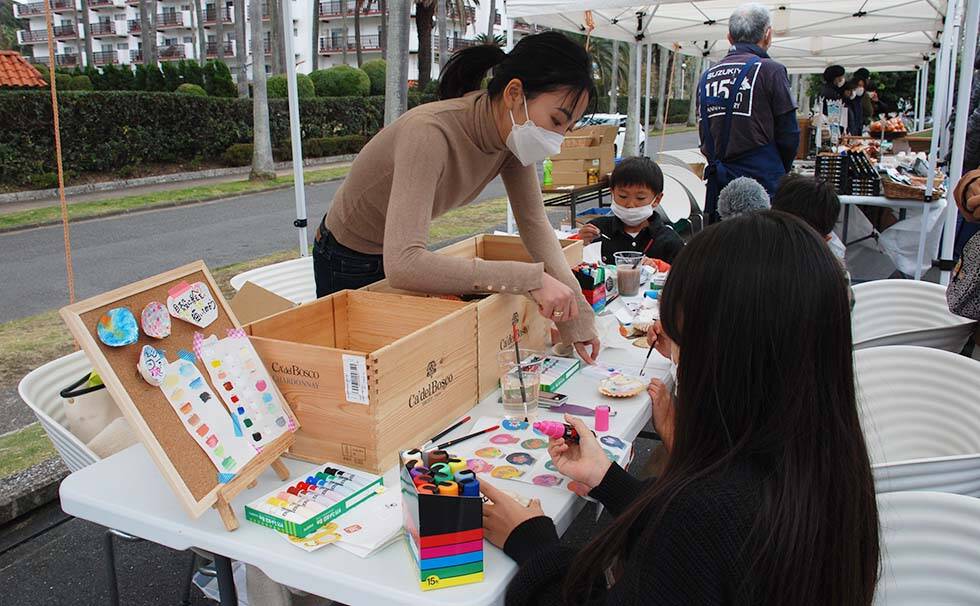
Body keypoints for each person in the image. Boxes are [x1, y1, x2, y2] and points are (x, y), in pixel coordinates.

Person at [481, 211, 880, 606]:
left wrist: (534, 546)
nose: (676, 359)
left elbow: (696, 537)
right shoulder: (826, 468)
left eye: (683, 342)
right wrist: (611, 481)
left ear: (730, 360)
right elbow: (695, 557)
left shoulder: (706, 512)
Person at [313, 32, 600, 363]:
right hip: (347, 258)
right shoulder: (429, 133)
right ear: (514, 94)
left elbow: (534, 223)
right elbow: (404, 264)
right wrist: (530, 280)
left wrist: (578, 316)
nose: (557, 138)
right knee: (371, 376)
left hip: (397, 252)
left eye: (568, 127)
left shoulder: (513, 137)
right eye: (556, 121)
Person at [696, 3, 799, 223]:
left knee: (724, 247)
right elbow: (789, 133)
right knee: (760, 247)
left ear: (729, 38)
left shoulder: (708, 76)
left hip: (721, 183)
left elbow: (704, 133)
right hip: (762, 182)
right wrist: (780, 170)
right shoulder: (771, 71)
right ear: (767, 35)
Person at [577, 157, 684, 265]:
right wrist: (579, 244)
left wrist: (660, 268)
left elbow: (683, 278)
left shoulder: (669, 242)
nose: (630, 204)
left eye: (640, 198)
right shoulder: (597, 230)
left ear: (656, 199)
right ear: (612, 193)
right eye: (623, 196)